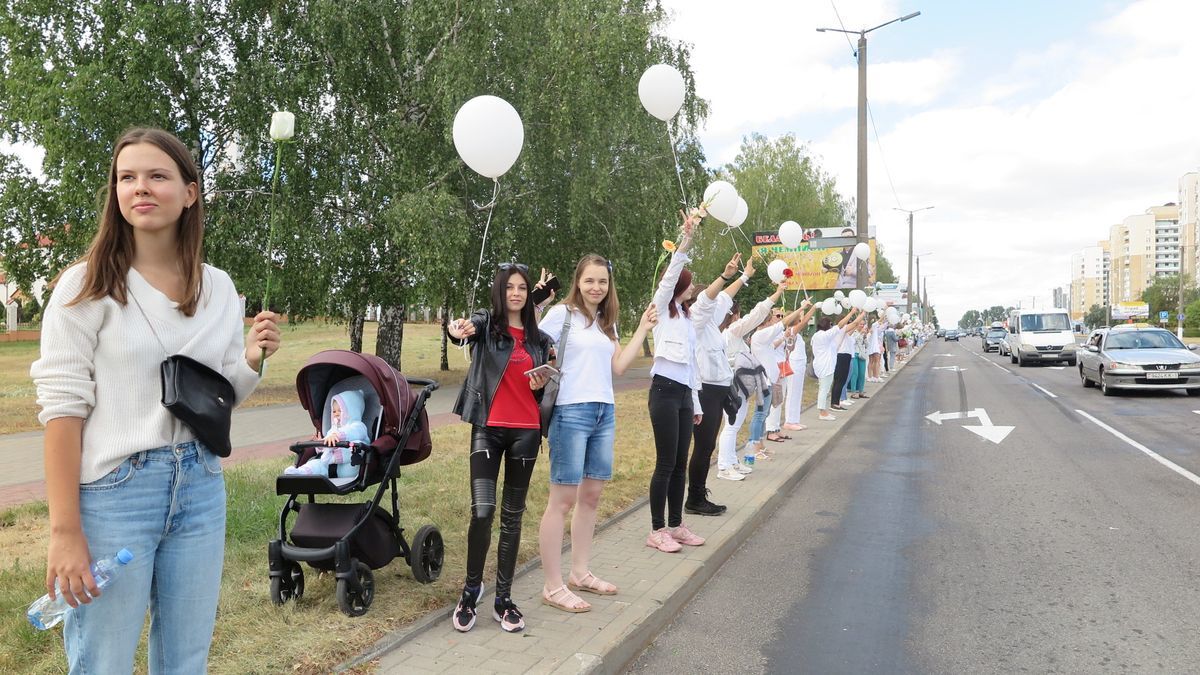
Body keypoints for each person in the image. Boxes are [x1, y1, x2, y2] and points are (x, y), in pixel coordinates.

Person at [30, 127, 280, 673]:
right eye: (127, 177)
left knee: (186, 659)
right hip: (115, 496)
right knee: (104, 660)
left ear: (190, 192)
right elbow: (62, 414)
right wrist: (65, 532)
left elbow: (215, 400)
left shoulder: (217, 287)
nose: (140, 188)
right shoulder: (85, 287)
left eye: (157, 176)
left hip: (200, 487)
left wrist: (251, 361)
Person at [537, 255, 657, 613]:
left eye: (602, 282)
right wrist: (538, 300)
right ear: (578, 281)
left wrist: (643, 329)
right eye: (590, 281)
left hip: (604, 411)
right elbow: (531, 342)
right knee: (562, 500)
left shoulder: (607, 322)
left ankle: (580, 572)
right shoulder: (562, 315)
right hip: (571, 411)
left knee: (590, 497)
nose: (596, 287)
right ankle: (552, 585)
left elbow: (619, 366)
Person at [445, 263, 552, 633]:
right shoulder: (487, 326)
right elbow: (464, 331)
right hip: (487, 431)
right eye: (510, 288)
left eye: (522, 288)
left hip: (525, 432)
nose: (516, 294)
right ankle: (471, 591)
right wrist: (456, 328)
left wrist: (542, 384)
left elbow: (549, 384)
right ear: (500, 291)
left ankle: (503, 600)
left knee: (512, 517)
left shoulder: (540, 339)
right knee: (483, 512)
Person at [645, 212, 707, 553]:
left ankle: (676, 524)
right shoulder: (662, 308)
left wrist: (695, 403)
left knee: (680, 462)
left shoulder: (686, 316)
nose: (692, 288)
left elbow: (693, 366)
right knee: (666, 462)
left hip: (683, 394)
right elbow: (668, 279)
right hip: (663, 392)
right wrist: (686, 240)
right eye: (689, 284)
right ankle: (656, 529)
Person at [686, 252, 756, 515]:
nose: (723, 309)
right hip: (704, 392)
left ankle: (697, 494)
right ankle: (694, 498)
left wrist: (745, 275)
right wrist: (726, 275)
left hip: (717, 392)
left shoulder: (712, 325)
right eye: (715, 303)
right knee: (703, 446)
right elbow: (711, 299)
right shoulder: (696, 319)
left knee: (707, 446)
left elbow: (724, 296)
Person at [714, 282, 786, 480]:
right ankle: (724, 466)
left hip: (739, 386)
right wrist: (776, 294)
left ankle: (732, 461)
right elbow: (754, 316)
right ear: (733, 316)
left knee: (735, 425)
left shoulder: (728, 334)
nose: (740, 317)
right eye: (738, 314)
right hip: (735, 386)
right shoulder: (731, 331)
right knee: (731, 425)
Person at [747, 299, 816, 460]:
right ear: (767, 320)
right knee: (759, 415)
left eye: (780, 315)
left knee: (764, 414)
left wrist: (784, 338)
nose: (779, 318)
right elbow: (785, 324)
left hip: (770, 378)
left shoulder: (766, 337)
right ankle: (754, 448)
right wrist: (801, 308)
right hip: (763, 380)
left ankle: (760, 444)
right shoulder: (760, 334)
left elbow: (776, 344)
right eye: (776, 315)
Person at [283, 391, 370, 478]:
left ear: (352, 411)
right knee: (315, 463)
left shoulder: (358, 426)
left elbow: (352, 432)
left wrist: (338, 435)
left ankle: (334, 456)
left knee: (356, 446)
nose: (336, 414)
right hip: (327, 467)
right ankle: (301, 472)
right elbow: (324, 450)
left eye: (340, 410)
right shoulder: (332, 430)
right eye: (334, 411)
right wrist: (320, 444)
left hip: (349, 468)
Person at [811, 308, 862, 421]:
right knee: (824, 389)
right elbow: (840, 325)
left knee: (824, 388)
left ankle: (824, 410)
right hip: (825, 366)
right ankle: (822, 412)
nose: (832, 326)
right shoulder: (824, 336)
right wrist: (852, 313)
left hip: (822, 364)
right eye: (830, 324)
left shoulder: (818, 336)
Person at [781, 301, 821, 432]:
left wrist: (804, 305)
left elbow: (802, 319)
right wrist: (813, 308)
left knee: (797, 392)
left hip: (799, 363)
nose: (800, 320)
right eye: (797, 318)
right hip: (794, 363)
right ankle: (789, 421)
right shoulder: (791, 331)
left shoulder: (795, 332)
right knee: (792, 392)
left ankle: (795, 419)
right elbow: (804, 322)